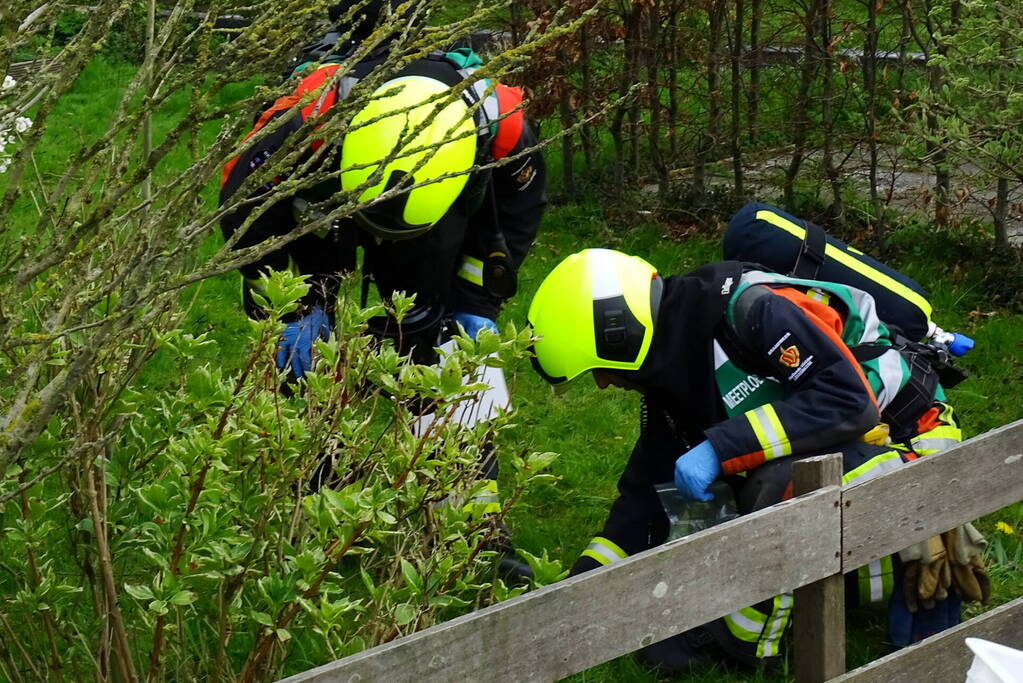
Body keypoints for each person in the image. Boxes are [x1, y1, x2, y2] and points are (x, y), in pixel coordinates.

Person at [525, 209, 986, 669]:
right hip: (853, 452)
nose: (603, 385)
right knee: (735, 484)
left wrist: (722, 447)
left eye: (599, 370)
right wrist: (577, 594)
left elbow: (849, 402)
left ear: (619, 334)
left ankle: (743, 644)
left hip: (915, 452)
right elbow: (646, 494)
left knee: (777, 481)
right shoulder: (674, 361)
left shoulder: (752, 310)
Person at [219, 0, 545, 574]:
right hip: (318, 211)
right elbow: (240, 205)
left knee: (437, 346)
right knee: (302, 362)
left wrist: (475, 301)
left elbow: (519, 208)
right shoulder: (309, 120)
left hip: (434, 220)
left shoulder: (498, 122)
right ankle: (310, 499)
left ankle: (472, 526)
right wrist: (290, 302)